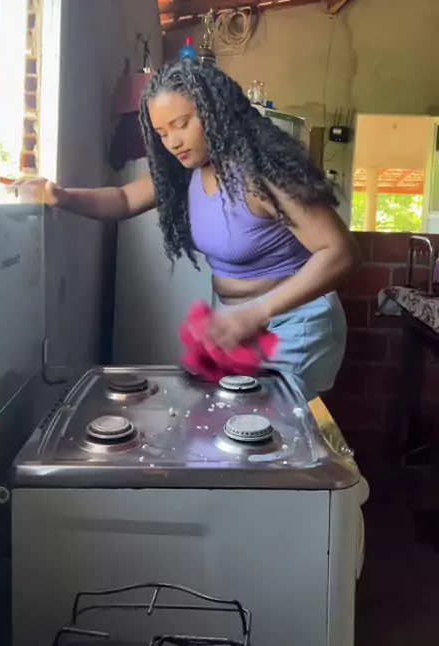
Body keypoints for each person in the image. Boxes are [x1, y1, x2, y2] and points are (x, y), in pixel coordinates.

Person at [19, 58, 359, 400]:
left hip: (293, 323)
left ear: (214, 112)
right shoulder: (185, 173)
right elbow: (123, 199)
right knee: (230, 423)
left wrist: (256, 314)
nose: (173, 142)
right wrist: (61, 196)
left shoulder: (263, 175)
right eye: (162, 132)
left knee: (271, 428)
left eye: (181, 124)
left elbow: (340, 252)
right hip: (241, 325)